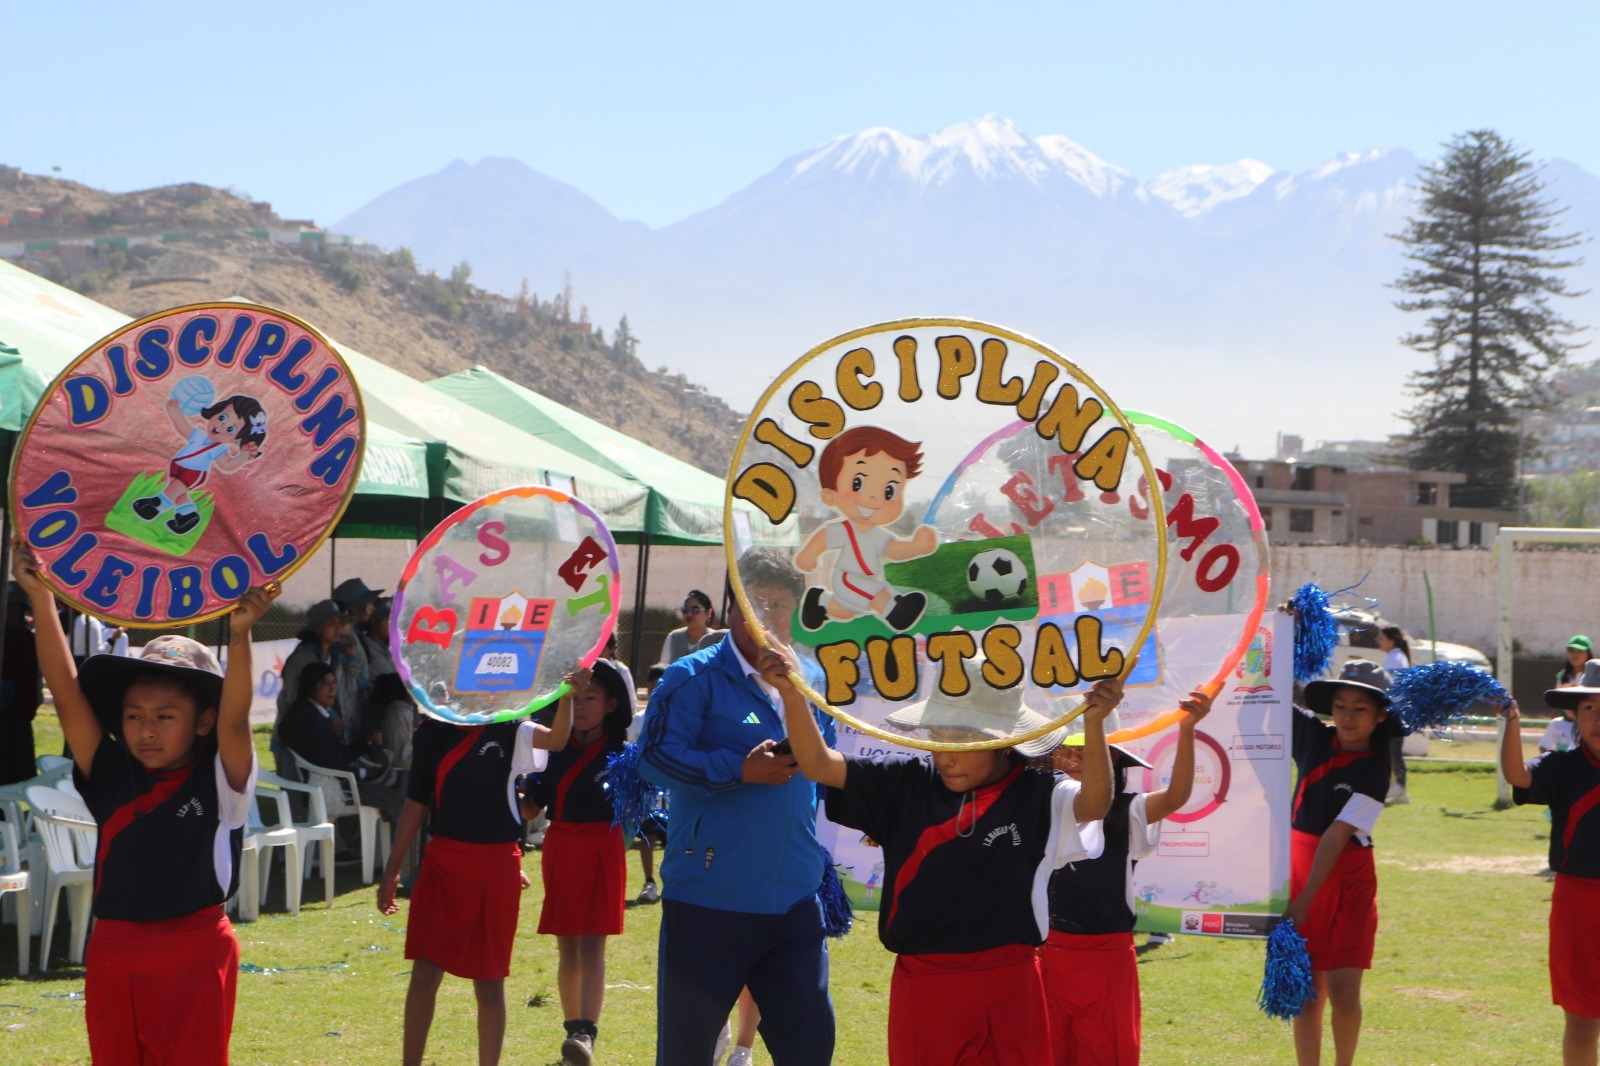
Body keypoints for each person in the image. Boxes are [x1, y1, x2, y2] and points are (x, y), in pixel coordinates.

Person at [778, 649, 1118, 1064]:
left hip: (1010, 985)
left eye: (962, 738)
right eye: (938, 736)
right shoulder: (905, 782)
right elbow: (816, 763)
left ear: (1004, 741)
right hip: (924, 987)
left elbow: (1095, 804)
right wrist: (791, 694)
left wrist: (1096, 725)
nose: (945, 754)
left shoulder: (1039, 792)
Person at [13, 536, 277, 1062]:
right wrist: (41, 597)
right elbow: (66, 693)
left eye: (165, 716)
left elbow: (235, 717)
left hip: (197, 952)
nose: (146, 730)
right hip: (114, 951)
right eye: (134, 715)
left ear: (201, 722)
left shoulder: (222, 782)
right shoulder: (112, 773)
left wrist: (242, 635)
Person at [639, 586, 837, 1065]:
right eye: (755, 606)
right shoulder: (690, 676)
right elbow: (652, 759)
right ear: (730, 611)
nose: (767, 619)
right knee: (688, 1054)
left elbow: (826, 766)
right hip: (709, 901)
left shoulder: (810, 678)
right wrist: (739, 770)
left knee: (810, 1050)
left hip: (795, 898)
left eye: (780, 606)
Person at [378, 671, 573, 1066]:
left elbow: (556, 740)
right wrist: (391, 872)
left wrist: (569, 694)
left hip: (495, 867)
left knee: (489, 983)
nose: (483, 687)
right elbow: (415, 805)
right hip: (443, 863)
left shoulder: (510, 727)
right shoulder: (431, 732)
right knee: (425, 974)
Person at [1040, 690, 1214, 1066]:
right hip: (1044, 957)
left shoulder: (1125, 810)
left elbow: (1176, 796)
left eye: (1087, 749)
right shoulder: (1036, 807)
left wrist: (1187, 731)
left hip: (1106, 962)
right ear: (1049, 753)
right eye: (1066, 749)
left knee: (1106, 1053)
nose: (1074, 759)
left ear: (1112, 755)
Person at [1286, 658, 1399, 1066]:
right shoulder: (1314, 737)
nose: (1347, 717)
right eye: (1340, 705)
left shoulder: (1375, 771)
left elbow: (1336, 836)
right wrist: (1287, 631)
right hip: (1301, 867)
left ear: (1380, 716)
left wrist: (1302, 902)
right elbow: (1272, 688)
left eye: (1360, 708)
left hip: (1347, 877)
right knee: (1307, 991)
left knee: (1345, 990)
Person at [523, 662, 633, 1066]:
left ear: (611, 705)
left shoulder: (623, 753)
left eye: (590, 699)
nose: (582, 707)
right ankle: (573, 1032)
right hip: (562, 844)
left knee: (593, 946)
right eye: (574, 699)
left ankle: (588, 1033)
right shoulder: (552, 749)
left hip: (604, 847)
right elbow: (529, 806)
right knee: (567, 945)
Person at [1501, 660, 1600, 1066]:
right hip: (1577, 905)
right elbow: (1517, 775)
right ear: (1575, 714)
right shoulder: (1562, 767)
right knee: (1581, 1021)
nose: (1598, 718)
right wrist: (1512, 721)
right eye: (1590, 708)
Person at [794, 426, 937, 633]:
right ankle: (895, 612)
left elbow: (894, 550)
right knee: (877, 593)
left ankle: (819, 602)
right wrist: (809, 554)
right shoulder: (845, 529)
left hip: (868, 577)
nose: (874, 497)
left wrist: (916, 547)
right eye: (858, 483)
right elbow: (824, 537)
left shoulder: (879, 535)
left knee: (846, 611)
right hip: (847, 577)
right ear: (830, 495)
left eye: (889, 490)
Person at [280, 661, 406, 825]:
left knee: (402, 780)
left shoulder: (312, 713)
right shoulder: (309, 718)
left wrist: (366, 741)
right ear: (311, 688)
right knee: (401, 790)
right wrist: (363, 773)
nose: (332, 689)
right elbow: (328, 764)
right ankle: (404, 843)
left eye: (334, 683)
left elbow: (337, 754)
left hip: (341, 779)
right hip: (337, 786)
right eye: (325, 684)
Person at [132, 387, 267, 535]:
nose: (222, 426)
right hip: (177, 467)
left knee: (173, 491)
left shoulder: (218, 448)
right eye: (222, 417)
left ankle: (154, 507)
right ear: (216, 411)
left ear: (238, 438)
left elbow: (227, 465)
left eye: (231, 429)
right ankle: (188, 516)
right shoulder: (199, 436)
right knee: (179, 495)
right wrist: (174, 411)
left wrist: (243, 456)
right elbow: (183, 427)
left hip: (193, 473)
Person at [273, 599, 354, 776]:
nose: (338, 628)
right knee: (296, 796)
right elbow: (293, 698)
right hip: (293, 737)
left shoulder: (336, 657)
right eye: (332, 624)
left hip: (320, 734)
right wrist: (328, 716)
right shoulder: (301, 659)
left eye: (339, 624)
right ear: (318, 628)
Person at [0, 586, 41, 785]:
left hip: (19, 712)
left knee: (18, 770)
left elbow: (33, 674)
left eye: (14, 608)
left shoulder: (28, 639)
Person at [1378, 626, 1412, 806]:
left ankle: (1397, 787)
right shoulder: (1397, 657)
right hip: (1398, 710)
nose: (1379, 641)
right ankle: (1400, 790)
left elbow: (1389, 687)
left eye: (1382, 637)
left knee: (1392, 752)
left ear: (1391, 640)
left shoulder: (1394, 659)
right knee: (1393, 752)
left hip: (1394, 711)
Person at [659, 589, 720, 668]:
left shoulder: (716, 640)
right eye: (685, 609)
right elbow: (663, 668)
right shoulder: (674, 637)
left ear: (708, 613)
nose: (689, 614)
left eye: (695, 610)